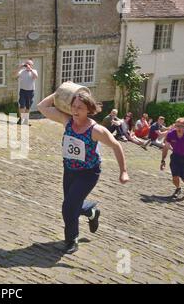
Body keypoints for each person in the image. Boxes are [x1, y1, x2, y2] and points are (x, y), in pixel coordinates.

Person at [38, 91, 129, 254]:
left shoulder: (96, 130)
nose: (75, 110)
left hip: (88, 173)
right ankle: (90, 211)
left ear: (89, 109)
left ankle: (72, 239)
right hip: (69, 170)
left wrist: (123, 171)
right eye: (73, 106)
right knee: (72, 204)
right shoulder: (67, 121)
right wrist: (59, 93)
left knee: (68, 207)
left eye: (80, 107)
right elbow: (42, 107)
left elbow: (116, 146)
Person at [16, 59, 38, 125]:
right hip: (23, 90)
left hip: (30, 91)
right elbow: (15, 75)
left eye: (29, 64)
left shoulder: (34, 71)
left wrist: (30, 69)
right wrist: (20, 67)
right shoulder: (22, 71)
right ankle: (21, 119)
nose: (27, 65)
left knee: (28, 107)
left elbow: (36, 77)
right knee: (22, 105)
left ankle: (25, 120)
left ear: (32, 65)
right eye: (26, 64)